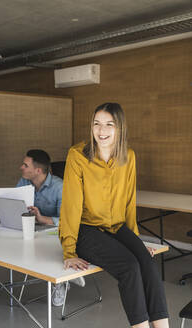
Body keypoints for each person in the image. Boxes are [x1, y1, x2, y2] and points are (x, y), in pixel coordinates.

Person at [59, 103, 169, 327]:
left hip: (117, 228)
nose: (102, 131)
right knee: (129, 267)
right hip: (86, 230)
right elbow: (71, 205)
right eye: (97, 124)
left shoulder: (128, 156)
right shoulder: (77, 155)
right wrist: (69, 250)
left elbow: (129, 202)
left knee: (146, 263)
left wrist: (135, 242)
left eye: (109, 124)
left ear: (119, 128)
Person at [16, 149, 85, 306]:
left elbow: (70, 221)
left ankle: (61, 281)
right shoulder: (24, 182)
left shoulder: (60, 187)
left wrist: (42, 219)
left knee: (52, 247)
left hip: (57, 232)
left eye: (25, 165)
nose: (21, 168)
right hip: (34, 229)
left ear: (38, 170)